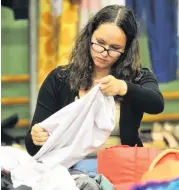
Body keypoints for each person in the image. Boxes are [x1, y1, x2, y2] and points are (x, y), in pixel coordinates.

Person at [25, 5, 164, 173]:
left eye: (114, 49)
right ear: (89, 36)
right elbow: (33, 148)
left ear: (126, 50)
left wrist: (124, 87)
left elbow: (157, 104)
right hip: (70, 172)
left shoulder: (138, 78)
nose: (104, 53)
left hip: (123, 171)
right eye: (100, 43)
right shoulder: (59, 79)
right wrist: (37, 138)